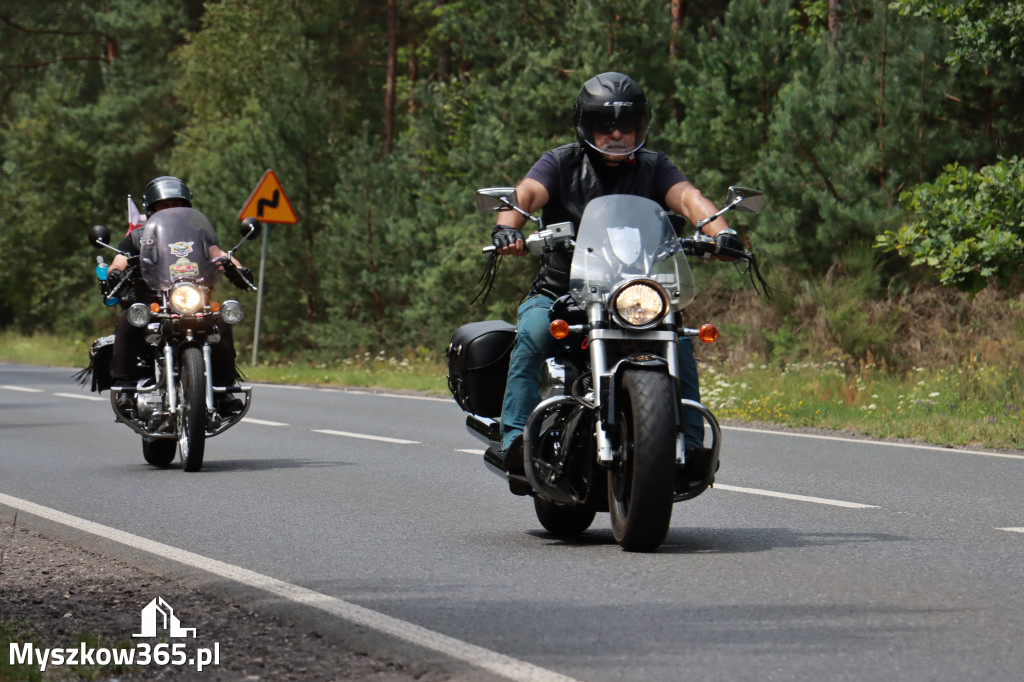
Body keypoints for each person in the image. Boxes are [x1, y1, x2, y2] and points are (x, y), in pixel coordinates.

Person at [492, 72, 745, 468]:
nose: (617, 134)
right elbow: (525, 194)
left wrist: (722, 232)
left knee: (677, 338)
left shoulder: (654, 166)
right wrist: (509, 227)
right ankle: (515, 440)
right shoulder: (560, 163)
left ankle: (691, 445)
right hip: (563, 293)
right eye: (604, 125)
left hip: (635, 294)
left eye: (627, 125)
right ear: (585, 125)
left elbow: (690, 198)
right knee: (534, 332)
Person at [107, 175, 246, 414]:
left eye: (176, 205)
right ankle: (125, 389)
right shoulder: (139, 238)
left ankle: (224, 390)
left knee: (222, 320)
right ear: (151, 209)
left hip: (193, 301)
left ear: (186, 207)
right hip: (155, 305)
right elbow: (118, 261)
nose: (170, 210)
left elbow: (219, 254)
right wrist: (114, 274)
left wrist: (238, 268)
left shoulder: (198, 235)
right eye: (163, 206)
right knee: (129, 319)